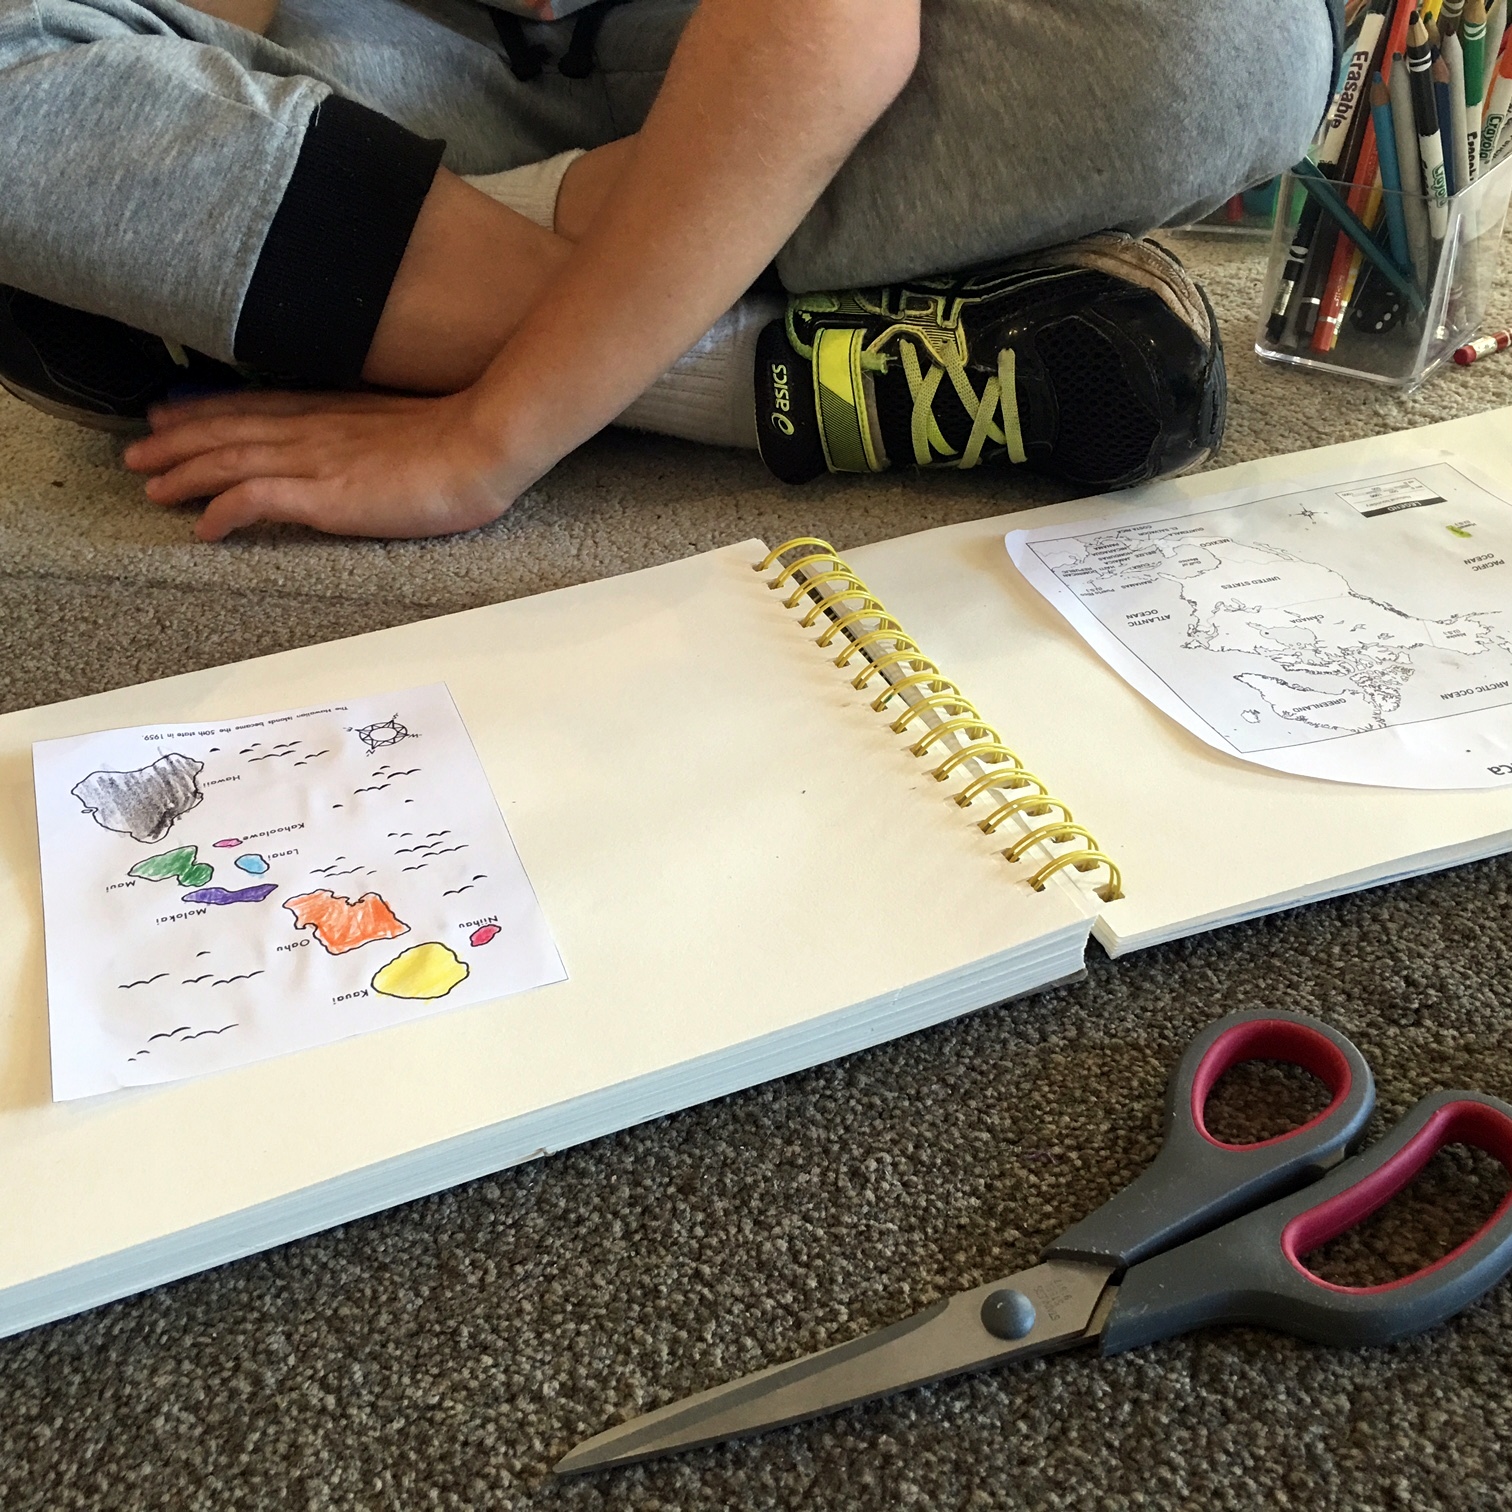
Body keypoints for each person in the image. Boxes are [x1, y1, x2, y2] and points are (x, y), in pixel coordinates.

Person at [0, 0, 1341, 541]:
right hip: (440, 61)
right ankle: (773, 363)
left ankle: (421, 302)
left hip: (790, 45)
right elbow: (197, 35)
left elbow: (833, 26)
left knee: (1229, 44)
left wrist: (487, 441)